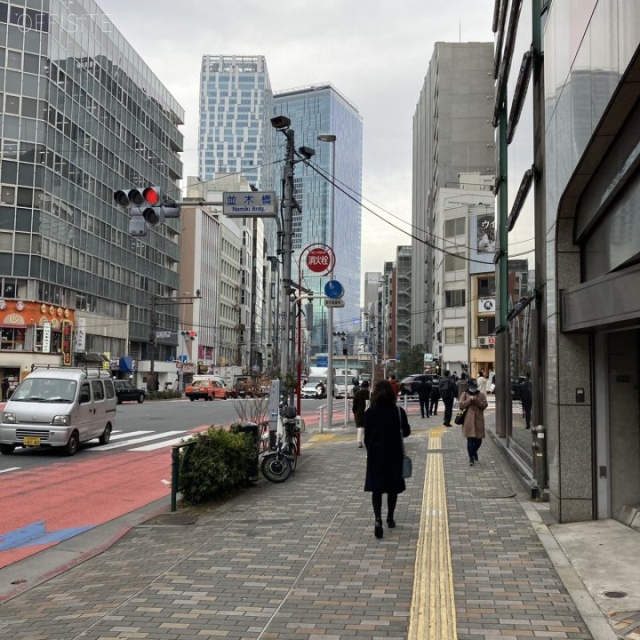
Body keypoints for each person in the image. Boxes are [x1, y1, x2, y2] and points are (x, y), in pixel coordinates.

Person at [364, 379, 411, 538]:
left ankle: (377, 519)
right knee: (392, 488)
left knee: (376, 489)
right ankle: (390, 517)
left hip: (375, 455)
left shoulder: (370, 412)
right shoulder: (398, 411)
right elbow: (406, 432)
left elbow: (366, 437)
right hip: (394, 454)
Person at [458, 378, 488, 466]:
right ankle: (471, 458)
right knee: (470, 439)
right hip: (468, 420)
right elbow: (461, 404)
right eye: (471, 387)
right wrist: (469, 400)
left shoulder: (481, 395)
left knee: (479, 440)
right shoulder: (464, 394)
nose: (473, 389)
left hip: (478, 420)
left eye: (474, 387)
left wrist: (476, 400)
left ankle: (474, 452)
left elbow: (484, 405)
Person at [352, 379, 370, 447]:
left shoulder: (358, 393)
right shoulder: (370, 393)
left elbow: (355, 403)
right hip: (368, 412)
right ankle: (368, 440)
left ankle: (359, 441)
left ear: (361, 386)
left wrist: (354, 411)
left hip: (359, 412)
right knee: (368, 427)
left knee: (360, 427)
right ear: (368, 386)